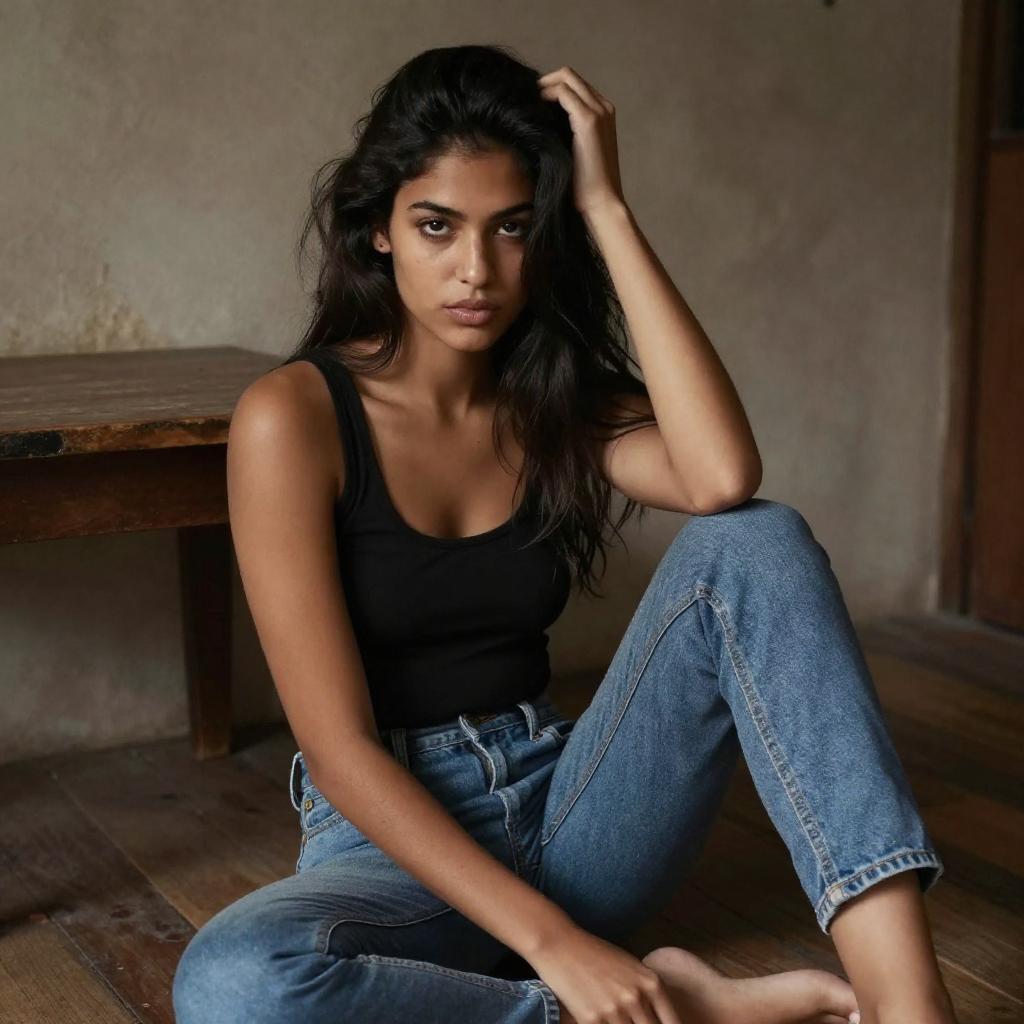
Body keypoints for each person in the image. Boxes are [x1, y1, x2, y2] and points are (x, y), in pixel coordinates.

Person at [172, 44, 956, 1024]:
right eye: (436, 226)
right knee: (235, 982)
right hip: (390, 848)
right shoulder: (292, 418)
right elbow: (339, 751)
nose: (476, 269)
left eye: (511, 229)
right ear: (378, 231)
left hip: (573, 810)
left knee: (752, 542)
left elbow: (721, 477)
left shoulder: (551, 397)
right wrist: (560, 950)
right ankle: (671, 1009)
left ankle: (905, 1003)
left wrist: (605, 209)